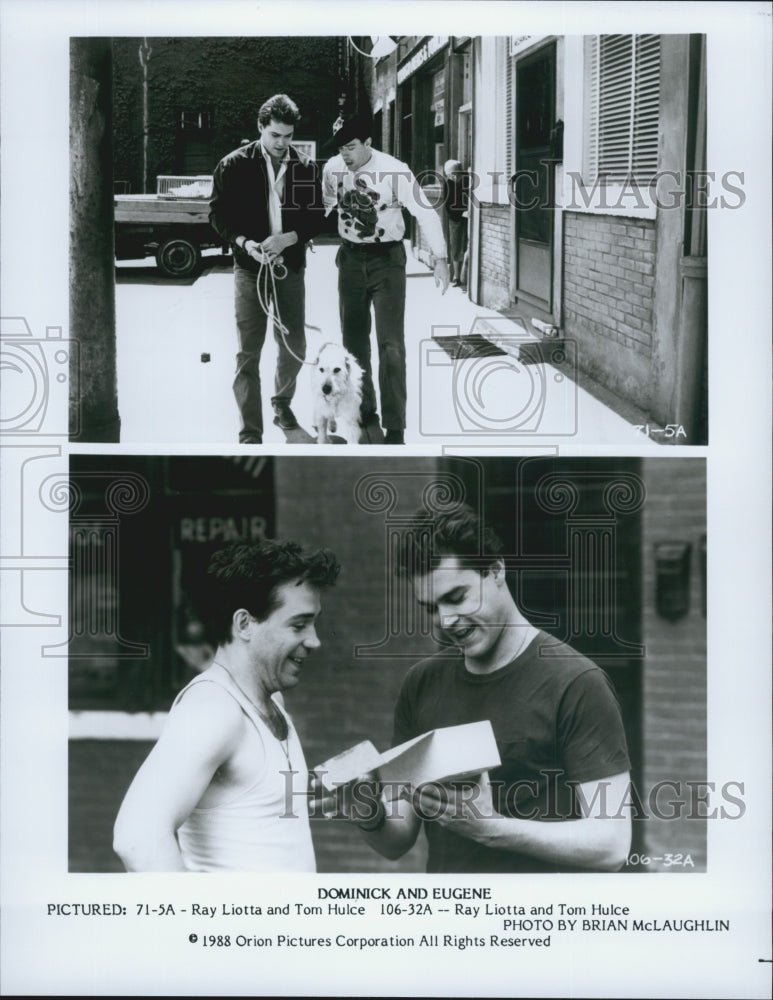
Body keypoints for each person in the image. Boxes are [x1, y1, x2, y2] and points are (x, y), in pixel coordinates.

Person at [318, 504, 632, 873]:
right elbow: (397, 841)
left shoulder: (576, 683)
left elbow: (612, 845)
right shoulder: (421, 684)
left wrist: (491, 829)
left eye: (456, 597)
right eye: (431, 608)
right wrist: (368, 813)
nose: (446, 620)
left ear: (496, 571)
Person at [113, 538, 340, 872]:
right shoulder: (213, 708)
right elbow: (137, 837)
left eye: (314, 622)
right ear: (244, 624)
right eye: (299, 624)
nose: (314, 640)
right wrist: (198, 923)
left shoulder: (271, 697)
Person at [322, 115, 450, 445]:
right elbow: (322, 207)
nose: (345, 155)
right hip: (350, 259)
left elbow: (424, 212)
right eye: (340, 148)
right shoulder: (333, 169)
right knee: (353, 343)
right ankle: (365, 410)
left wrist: (440, 258)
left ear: (368, 144)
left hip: (387, 262)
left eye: (351, 147)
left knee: (391, 346)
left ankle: (395, 425)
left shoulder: (394, 170)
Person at [209, 95, 328, 444]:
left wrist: (289, 238)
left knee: (295, 344)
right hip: (249, 269)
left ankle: (281, 402)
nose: (281, 143)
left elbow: (315, 217)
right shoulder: (233, 165)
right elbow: (218, 215)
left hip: (290, 267)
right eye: (275, 135)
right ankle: (250, 432)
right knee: (249, 350)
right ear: (260, 128)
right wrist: (245, 243)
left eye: (288, 136)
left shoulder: (306, 167)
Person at [441, 159, 471, 288]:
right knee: (456, 246)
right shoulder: (448, 185)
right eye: (451, 175)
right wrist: (461, 214)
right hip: (455, 219)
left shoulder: (467, 181)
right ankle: (456, 276)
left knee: (467, 245)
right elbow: (448, 206)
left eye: (456, 175)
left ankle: (465, 276)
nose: (454, 177)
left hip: (468, 217)